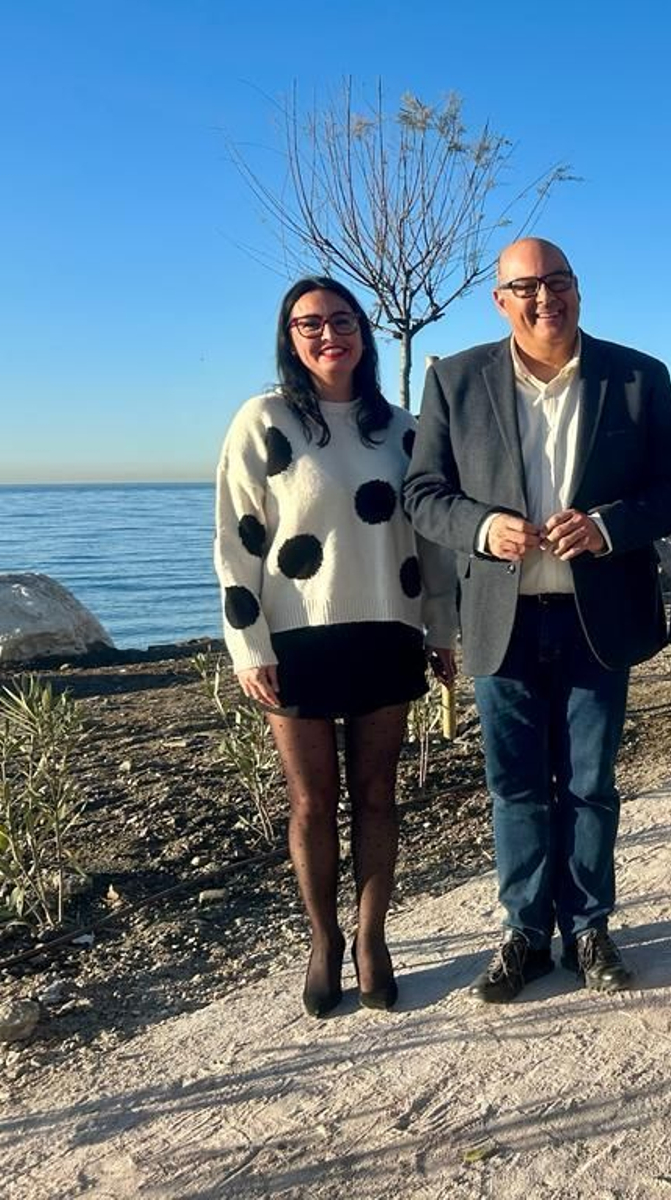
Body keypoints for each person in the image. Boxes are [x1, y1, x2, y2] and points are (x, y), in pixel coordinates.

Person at [404, 237, 671, 1001]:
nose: (543, 298)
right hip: (502, 617)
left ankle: (590, 928)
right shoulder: (455, 381)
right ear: (500, 300)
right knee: (516, 786)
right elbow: (422, 494)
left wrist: (607, 525)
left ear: (578, 290)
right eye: (525, 286)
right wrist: (480, 527)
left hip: (599, 615)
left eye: (557, 281)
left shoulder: (636, 377)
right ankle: (525, 931)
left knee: (591, 783)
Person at [214, 276, 458, 1017]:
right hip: (296, 642)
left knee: (379, 799)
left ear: (363, 332)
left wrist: (442, 634)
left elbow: (432, 544)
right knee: (313, 803)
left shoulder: (405, 429)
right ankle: (322, 938)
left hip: (387, 632)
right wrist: (247, 644)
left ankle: (371, 937)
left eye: (342, 320)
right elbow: (236, 540)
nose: (329, 334)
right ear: (289, 338)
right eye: (309, 323)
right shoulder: (264, 421)